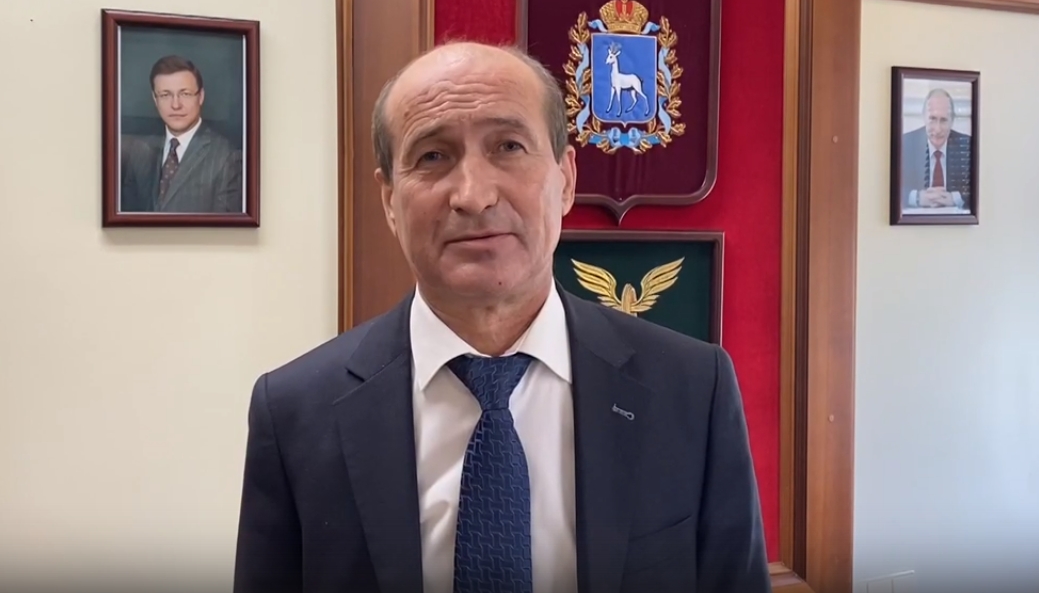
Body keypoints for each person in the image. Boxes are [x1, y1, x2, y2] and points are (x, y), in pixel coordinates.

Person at [233, 41, 770, 593]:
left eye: (509, 146)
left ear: (565, 179)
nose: (473, 195)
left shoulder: (691, 388)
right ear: (389, 199)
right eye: (433, 157)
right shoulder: (294, 412)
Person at [120, 55, 243, 213]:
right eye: (165, 95)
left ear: (200, 97)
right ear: (155, 99)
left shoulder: (226, 156)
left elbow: (228, 226)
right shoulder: (139, 150)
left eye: (185, 94)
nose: (176, 105)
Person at [900, 87, 972, 212]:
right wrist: (917, 197)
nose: (937, 129)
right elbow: (890, 186)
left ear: (952, 121)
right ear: (924, 117)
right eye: (932, 119)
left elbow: (981, 188)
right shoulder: (905, 143)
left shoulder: (967, 145)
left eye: (943, 120)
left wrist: (955, 198)